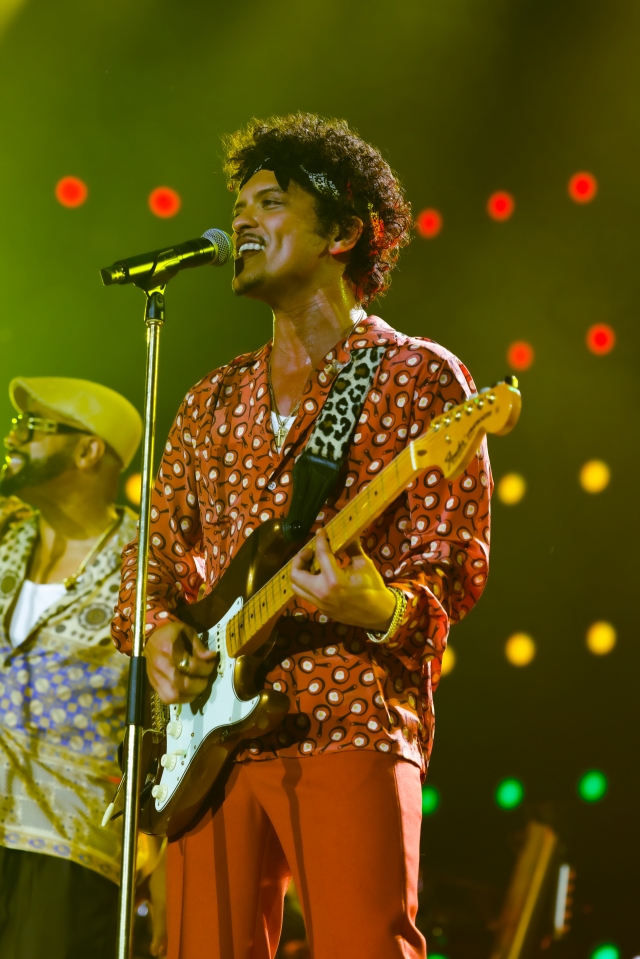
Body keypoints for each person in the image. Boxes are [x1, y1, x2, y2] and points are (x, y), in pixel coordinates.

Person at [112, 113, 493, 959]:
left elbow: (453, 564)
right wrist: (161, 633)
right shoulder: (211, 401)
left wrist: (380, 607)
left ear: (347, 231)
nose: (242, 220)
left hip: (350, 714)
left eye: (271, 202)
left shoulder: (417, 377)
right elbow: (153, 563)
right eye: (238, 203)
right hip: (210, 743)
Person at [0, 376, 150, 959]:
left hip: (70, 847)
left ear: (90, 451)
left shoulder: (147, 564)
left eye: (34, 429)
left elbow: (171, 718)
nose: (14, 439)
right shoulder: (7, 537)